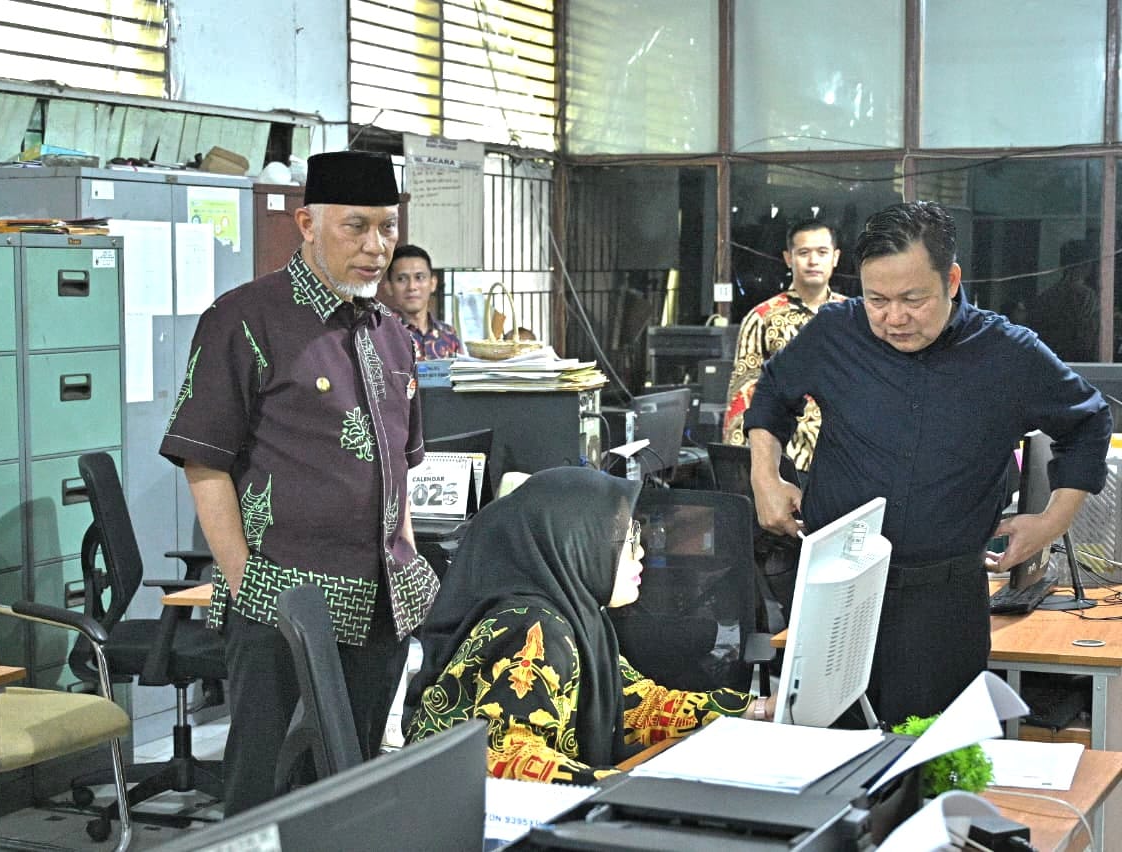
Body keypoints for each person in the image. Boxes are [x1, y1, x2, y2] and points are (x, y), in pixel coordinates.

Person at [744, 201, 1112, 726]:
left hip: (944, 601)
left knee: (936, 760)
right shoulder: (835, 332)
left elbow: (1089, 421)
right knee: (824, 755)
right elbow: (773, 394)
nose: (894, 317)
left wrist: (1053, 521)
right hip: (836, 590)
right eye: (877, 300)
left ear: (952, 280)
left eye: (913, 299)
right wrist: (766, 475)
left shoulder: (1007, 352)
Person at [159, 150, 440, 814]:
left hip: (383, 607)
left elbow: (401, 464)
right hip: (282, 601)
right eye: (356, 227)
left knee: (347, 788)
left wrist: (406, 557)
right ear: (307, 223)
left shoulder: (393, 336)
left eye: (388, 227)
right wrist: (243, 584)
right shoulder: (246, 319)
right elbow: (205, 463)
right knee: (264, 790)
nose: (377, 248)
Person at [403, 467, 774, 785]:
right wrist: (618, 789)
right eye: (628, 540)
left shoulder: (580, 618)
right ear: (576, 542)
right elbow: (506, 756)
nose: (641, 551)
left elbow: (637, 705)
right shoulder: (534, 628)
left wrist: (754, 711)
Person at [723, 218, 845, 473]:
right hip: (786, 458)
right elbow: (743, 392)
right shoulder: (762, 317)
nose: (813, 261)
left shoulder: (852, 316)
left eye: (822, 252)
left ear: (835, 257)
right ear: (789, 258)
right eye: (804, 253)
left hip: (847, 456)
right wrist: (741, 467)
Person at [379, 243, 464, 359]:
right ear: (389, 287)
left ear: (433, 283)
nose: (412, 287)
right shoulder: (379, 334)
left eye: (419, 277)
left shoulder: (449, 334)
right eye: (402, 279)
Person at [1028, 238, 1100, 363]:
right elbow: (1087, 336)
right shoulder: (1086, 296)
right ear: (1087, 264)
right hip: (1078, 362)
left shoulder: (1046, 296)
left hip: (1050, 361)